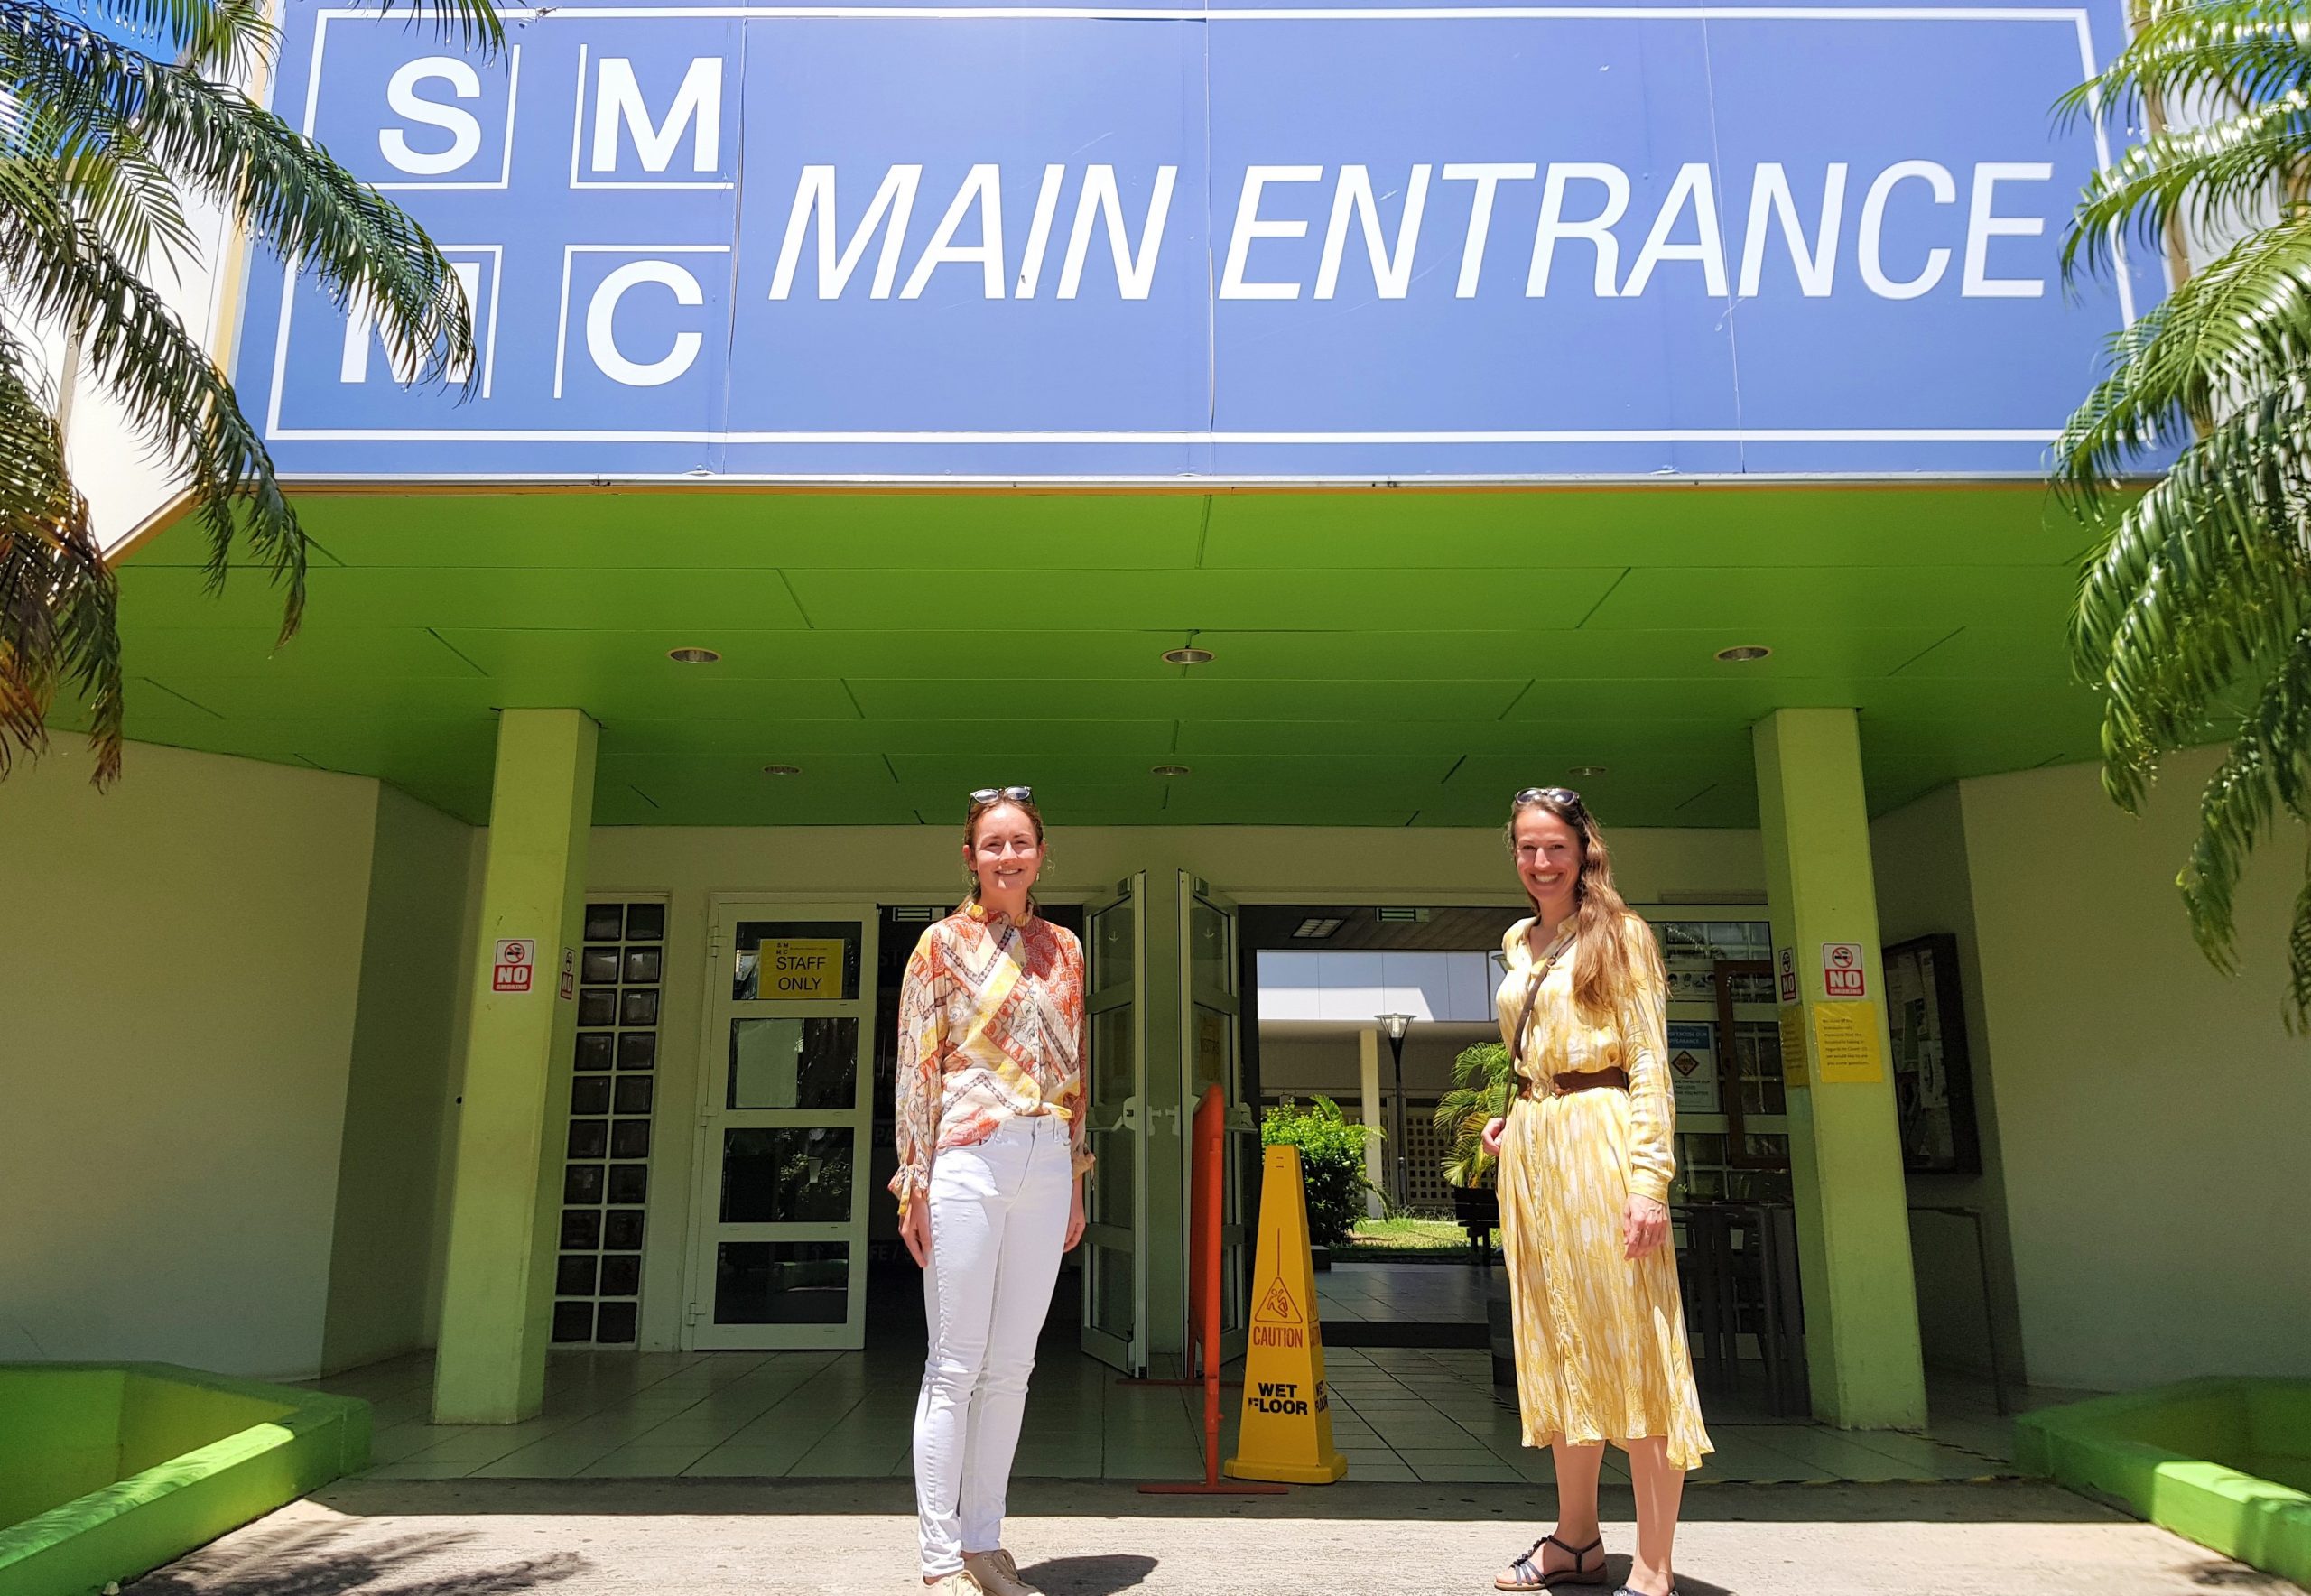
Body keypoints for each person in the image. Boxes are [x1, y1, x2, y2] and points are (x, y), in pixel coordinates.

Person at [1482, 786, 1711, 1596]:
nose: (1540, 862)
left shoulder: (1622, 935)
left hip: (1604, 1150)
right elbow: (1536, 1050)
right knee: (1556, 1341)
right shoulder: (1519, 941)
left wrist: (1649, 1182)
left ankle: (1653, 1565)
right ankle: (1576, 1540)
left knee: (1633, 1344)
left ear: (1584, 851)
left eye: (1555, 846)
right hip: (1534, 1153)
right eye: (1527, 847)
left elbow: (1647, 1062)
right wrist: (1515, 1116)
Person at [892, 786, 1091, 1596]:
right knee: (954, 1364)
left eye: (1021, 843)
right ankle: (941, 1559)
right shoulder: (940, 945)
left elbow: (1074, 1067)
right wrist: (913, 1181)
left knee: (1012, 1367)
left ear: (1041, 854)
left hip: (1046, 1160)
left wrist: (1076, 1177)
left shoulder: (1065, 948)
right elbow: (917, 1065)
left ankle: (984, 1543)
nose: (1008, 856)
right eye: (993, 844)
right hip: (967, 1160)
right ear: (970, 857)